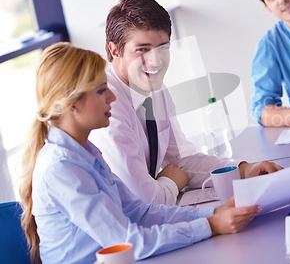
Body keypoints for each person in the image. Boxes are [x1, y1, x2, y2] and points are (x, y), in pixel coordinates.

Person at [19, 43, 260, 264]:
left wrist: (214, 213)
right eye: (102, 91)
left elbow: (140, 211)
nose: (112, 97)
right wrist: (210, 226)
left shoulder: (85, 152)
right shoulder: (61, 167)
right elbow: (126, 241)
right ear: (73, 104)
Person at [89, 0, 282, 206]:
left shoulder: (157, 90)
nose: (155, 61)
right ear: (115, 50)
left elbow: (182, 160)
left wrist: (244, 170)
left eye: (163, 47)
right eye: (142, 50)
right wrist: (171, 182)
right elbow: (145, 200)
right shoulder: (107, 106)